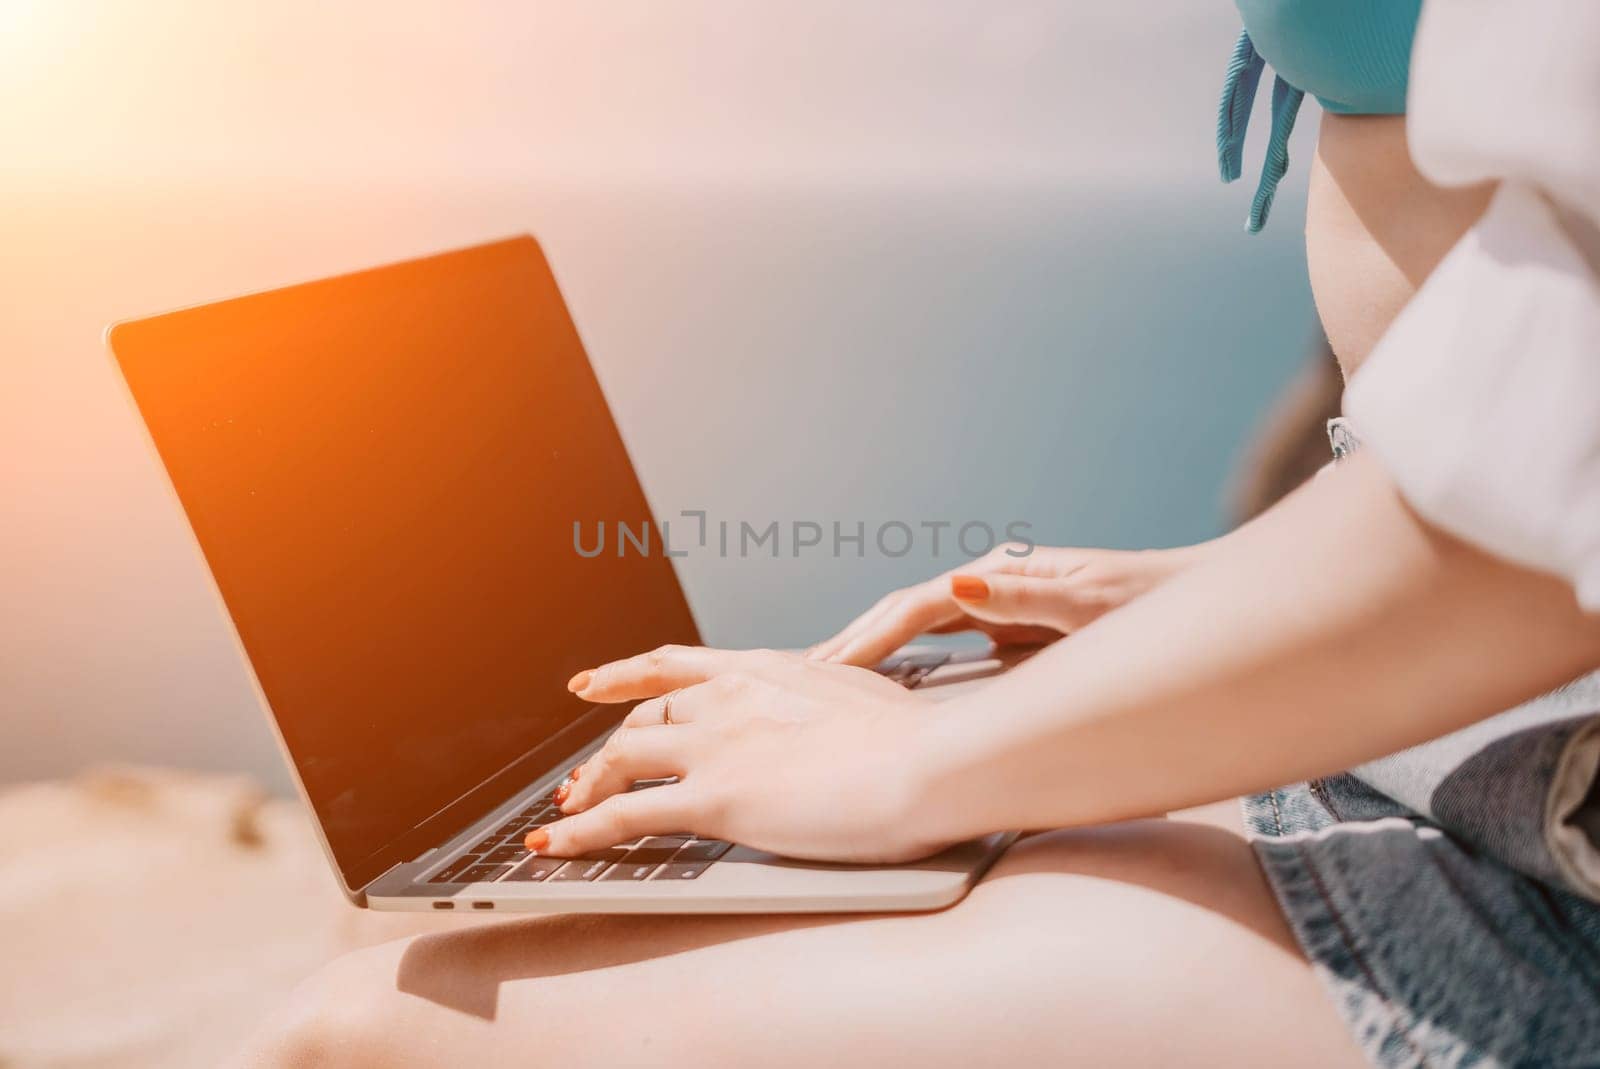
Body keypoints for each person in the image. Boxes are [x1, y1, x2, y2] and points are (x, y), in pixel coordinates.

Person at [237, 3, 1600, 1065]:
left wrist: (916, 761)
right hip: (1460, 726)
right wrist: (1185, 595)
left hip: (1546, 871)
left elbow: (1544, 483)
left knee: (363, 1031)